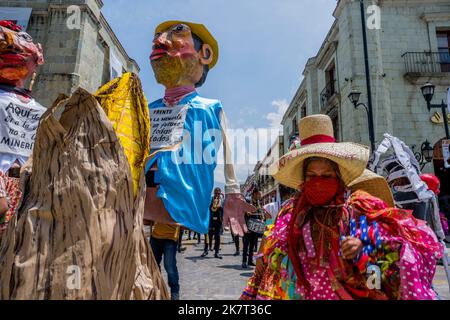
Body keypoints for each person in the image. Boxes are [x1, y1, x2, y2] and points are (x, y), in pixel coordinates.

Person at [241, 115, 442, 300]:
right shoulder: (288, 215)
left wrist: (365, 251)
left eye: (326, 176)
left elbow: (393, 266)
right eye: (312, 176)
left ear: (338, 178)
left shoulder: (359, 211)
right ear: (303, 179)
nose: (319, 181)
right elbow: (266, 265)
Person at [143, 21, 255, 240]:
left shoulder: (210, 108)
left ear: (204, 53)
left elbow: (228, 150)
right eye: (157, 36)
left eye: (177, 32)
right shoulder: (149, 108)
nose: (159, 41)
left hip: (185, 201)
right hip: (142, 199)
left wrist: (232, 190)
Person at [151, 222, 181, 300]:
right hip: (155, 236)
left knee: (169, 266)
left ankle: (175, 292)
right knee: (153, 265)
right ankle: (157, 289)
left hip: (170, 238)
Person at [242, 188, 269, 269]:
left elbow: (259, 213)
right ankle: (244, 261)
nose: (259, 196)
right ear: (254, 194)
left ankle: (250, 260)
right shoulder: (247, 201)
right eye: (258, 194)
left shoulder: (258, 203)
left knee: (253, 244)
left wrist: (261, 217)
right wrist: (247, 212)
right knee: (246, 244)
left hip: (255, 226)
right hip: (247, 225)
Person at [202, 188, 224, 259]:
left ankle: (216, 252)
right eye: (216, 193)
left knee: (217, 237)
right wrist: (212, 203)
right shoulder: (210, 199)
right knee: (208, 236)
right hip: (210, 220)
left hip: (218, 221)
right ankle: (205, 250)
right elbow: (207, 208)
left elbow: (224, 209)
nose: (217, 195)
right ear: (214, 193)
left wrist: (219, 205)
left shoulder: (222, 201)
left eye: (218, 193)